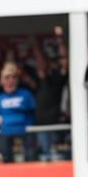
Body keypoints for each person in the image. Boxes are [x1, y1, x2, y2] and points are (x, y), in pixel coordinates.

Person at [32, 25, 68, 162]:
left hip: (54, 122)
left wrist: (59, 39)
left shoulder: (59, 78)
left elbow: (65, 61)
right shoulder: (42, 78)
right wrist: (35, 44)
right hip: (40, 123)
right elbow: (40, 62)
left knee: (54, 156)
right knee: (44, 156)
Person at [0, 63, 36, 163]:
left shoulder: (26, 94)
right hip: (5, 134)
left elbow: (33, 113)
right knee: (5, 161)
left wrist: (6, 119)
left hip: (25, 133)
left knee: (30, 160)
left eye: (13, 77)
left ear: (17, 80)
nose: (10, 80)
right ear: (1, 80)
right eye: (7, 77)